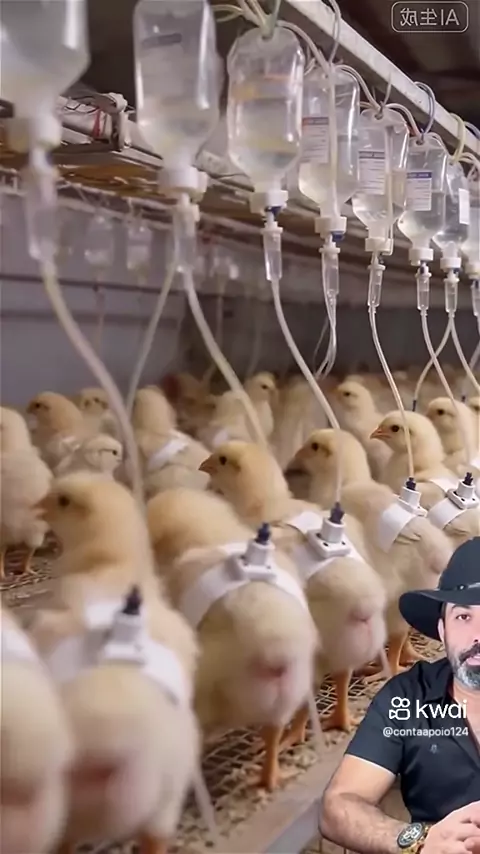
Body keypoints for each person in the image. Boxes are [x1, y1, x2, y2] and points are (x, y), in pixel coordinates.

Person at [320, 536, 480, 853]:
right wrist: (420, 841)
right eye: (463, 617)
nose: (478, 635)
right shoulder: (408, 699)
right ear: (443, 630)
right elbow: (339, 805)